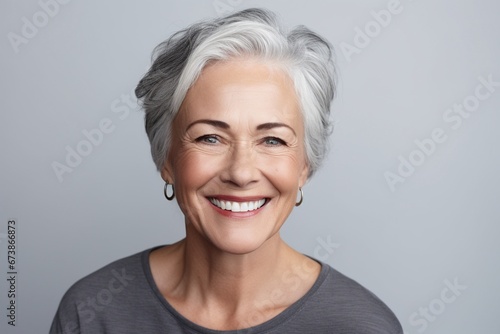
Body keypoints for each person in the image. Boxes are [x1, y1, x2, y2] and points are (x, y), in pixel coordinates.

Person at [50, 8, 403, 333]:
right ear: (166, 160)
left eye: (273, 141)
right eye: (210, 138)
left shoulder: (362, 326)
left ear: (304, 166)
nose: (241, 172)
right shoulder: (92, 313)